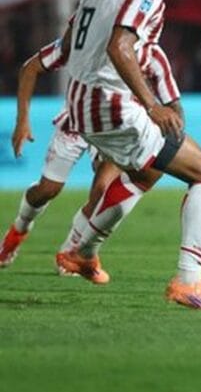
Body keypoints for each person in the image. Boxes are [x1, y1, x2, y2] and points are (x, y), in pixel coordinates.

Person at [47, 0, 201, 310]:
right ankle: (189, 282)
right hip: (110, 104)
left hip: (80, 100)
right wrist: (153, 105)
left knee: (146, 171)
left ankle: (81, 249)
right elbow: (120, 46)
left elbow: (73, 36)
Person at [1, 38, 181, 271]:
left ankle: (70, 253)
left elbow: (173, 102)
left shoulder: (152, 55)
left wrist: (175, 139)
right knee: (48, 190)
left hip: (117, 128)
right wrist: (22, 120)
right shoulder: (86, 41)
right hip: (78, 121)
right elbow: (31, 67)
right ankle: (19, 229)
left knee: (102, 190)